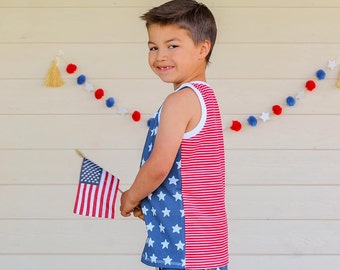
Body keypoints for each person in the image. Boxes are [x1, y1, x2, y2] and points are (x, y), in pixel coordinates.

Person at [120, 0, 228, 269]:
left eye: (173, 46)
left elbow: (159, 166)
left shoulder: (180, 101)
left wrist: (132, 196)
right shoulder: (205, 98)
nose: (160, 56)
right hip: (208, 242)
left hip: (185, 245)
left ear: (203, 48)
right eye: (153, 47)